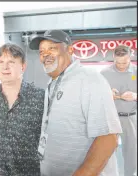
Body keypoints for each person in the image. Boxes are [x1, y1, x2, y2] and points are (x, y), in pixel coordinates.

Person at [29, 30, 123, 176]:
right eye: (41, 51)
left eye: (52, 48)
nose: (45, 54)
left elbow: (108, 138)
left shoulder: (89, 79)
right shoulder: (52, 83)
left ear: (70, 50)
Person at [0, 43, 44, 176]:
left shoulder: (40, 97)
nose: (5, 67)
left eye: (11, 62)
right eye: (1, 62)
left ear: (23, 66)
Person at [101, 45, 137, 176]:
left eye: (125, 62)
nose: (121, 65)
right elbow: (96, 95)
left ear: (130, 58)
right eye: (118, 62)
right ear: (113, 58)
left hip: (131, 118)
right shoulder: (104, 73)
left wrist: (135, 96)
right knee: (108, 153)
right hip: (111, 118)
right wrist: (106, 94)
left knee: (132, 153)